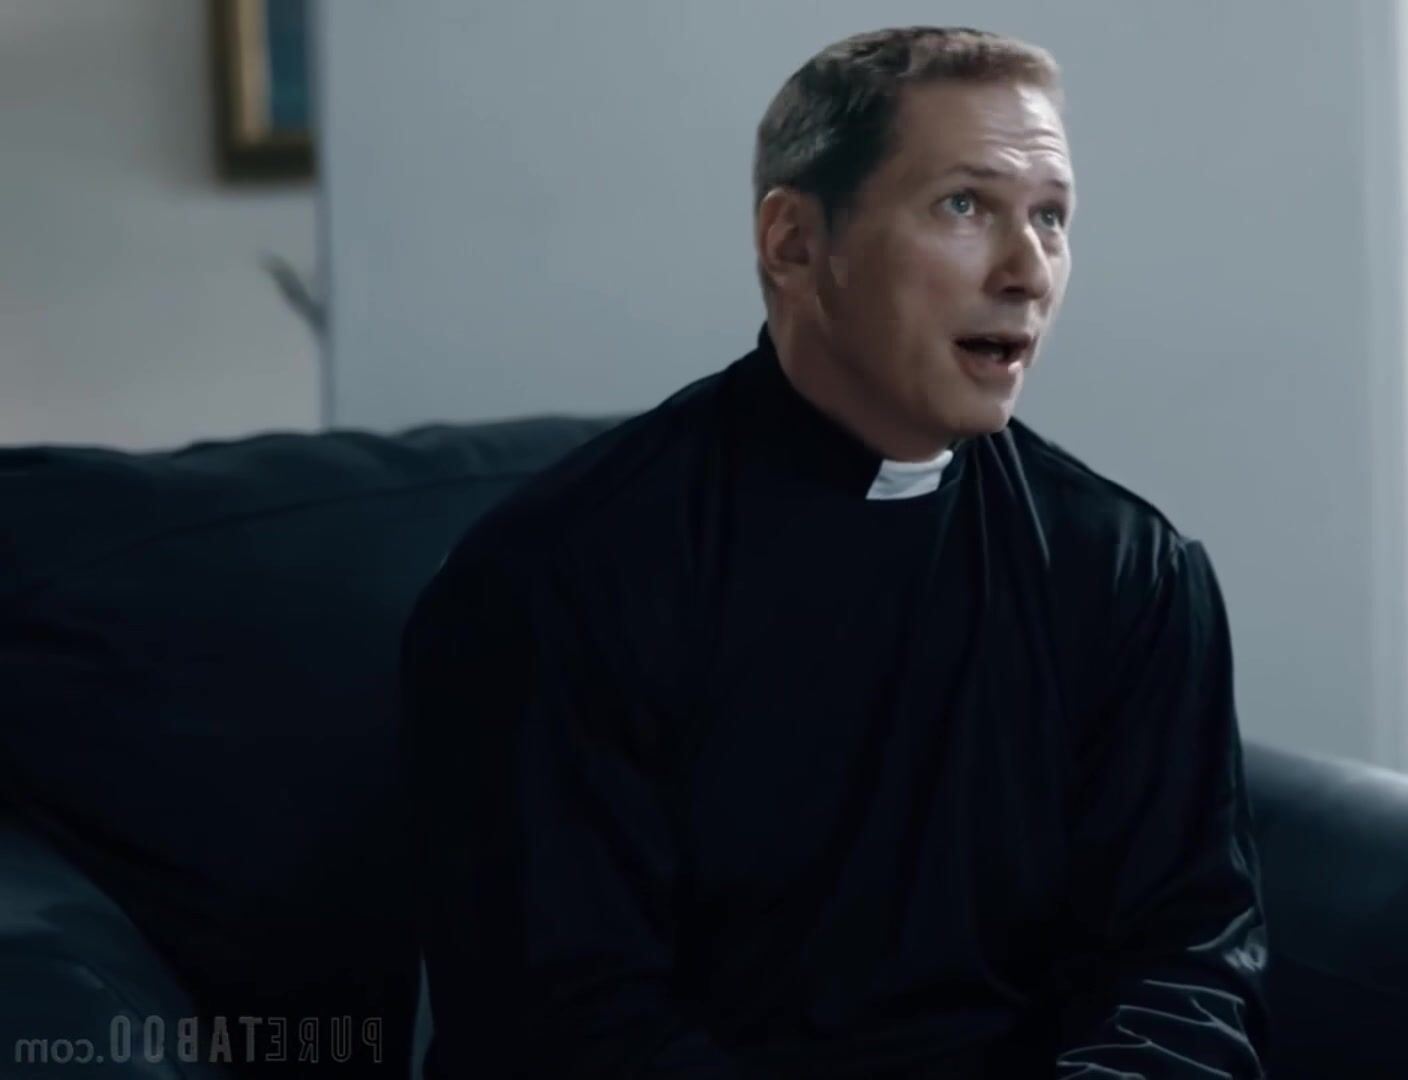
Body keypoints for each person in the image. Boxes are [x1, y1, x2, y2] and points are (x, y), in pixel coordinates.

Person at [400, 25, 1269, 1079]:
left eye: (1051, 216)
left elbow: (1183, 964)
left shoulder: (1129, 571)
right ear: (794, 243)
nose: (1028, 271)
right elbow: (561, 1022)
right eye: (965, 206)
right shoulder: (555, 578)